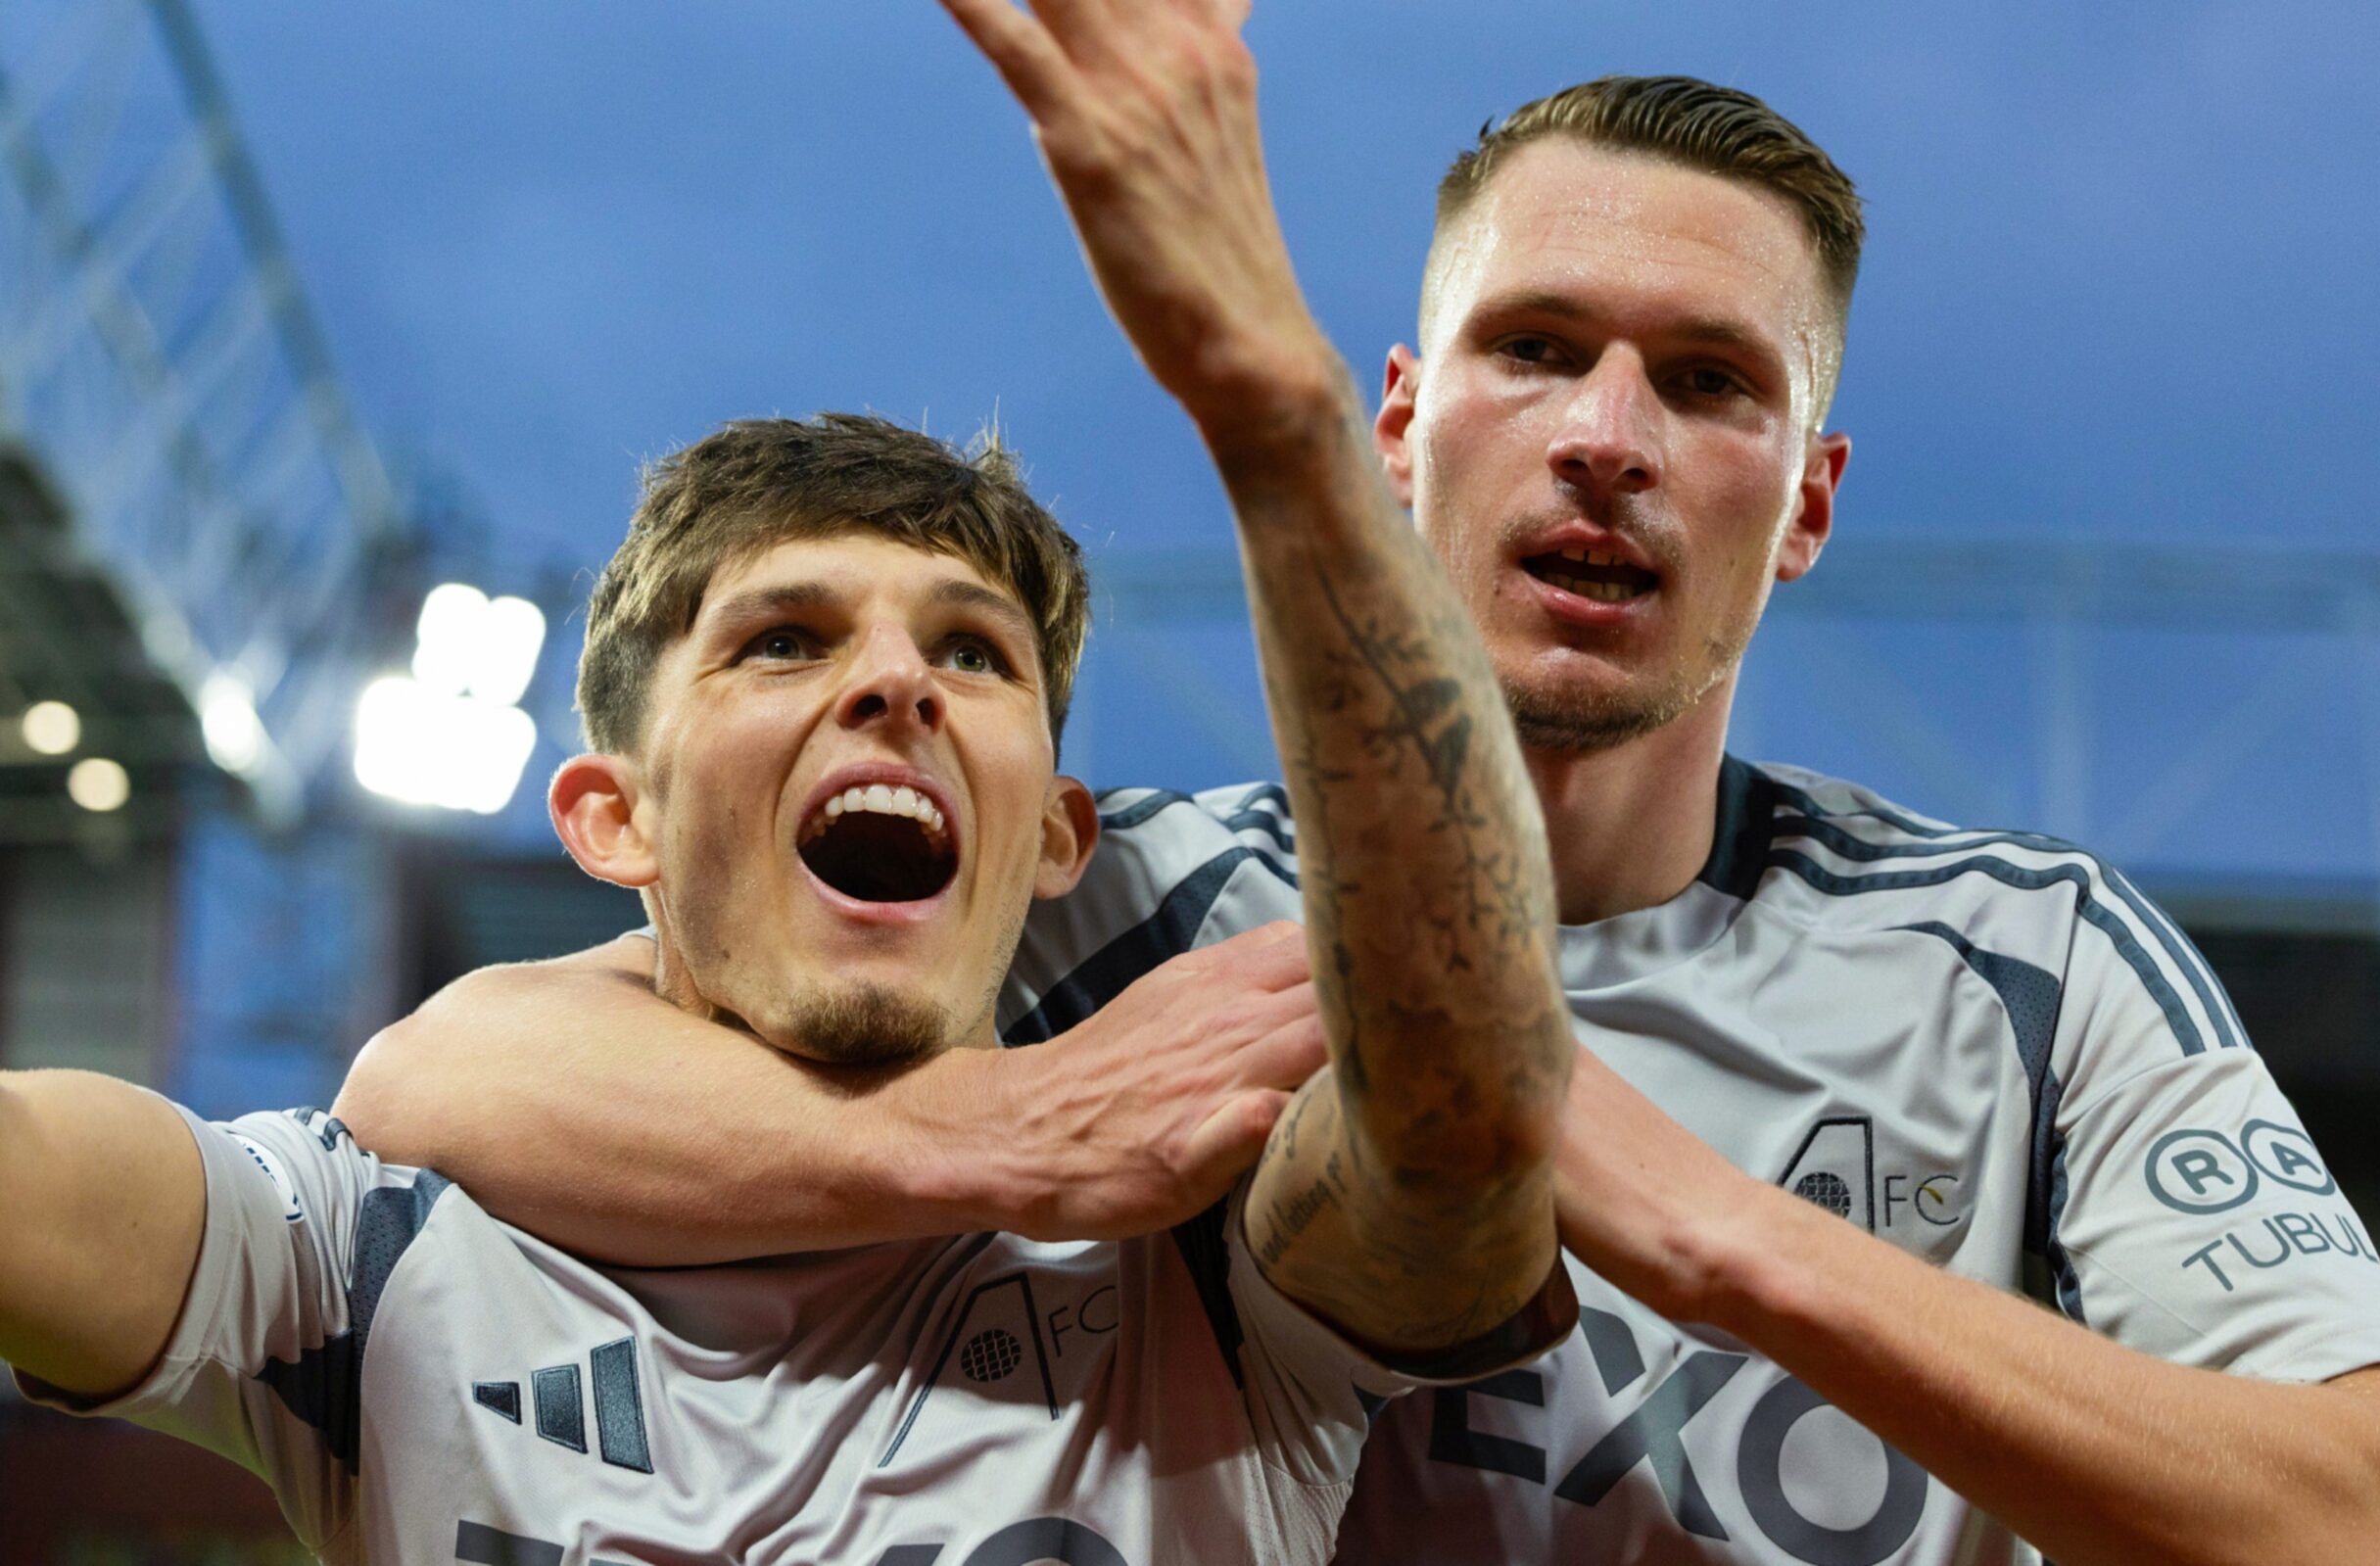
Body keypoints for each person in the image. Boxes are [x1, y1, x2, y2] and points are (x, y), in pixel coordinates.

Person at [340, 3, 2380, 1562]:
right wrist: (1022, 1118)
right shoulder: (1114, 907)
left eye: (1704, 381)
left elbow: (2361, 1525)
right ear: (1392, 424)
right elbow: (446, 1084)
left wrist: (1706, 1223)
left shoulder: (2028, 958)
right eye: (1533, 349)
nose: (1606, 433)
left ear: (1800, 503)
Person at [0, 406, 1580, 1562]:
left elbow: (1452, 1142)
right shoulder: (377, 1242)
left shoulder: (1203, 1258)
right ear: (614, 819)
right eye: (782, 642)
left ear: (1054, 834)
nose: (894, 682)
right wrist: (1009, 1125)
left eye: (974, 653)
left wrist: (1258, 388)